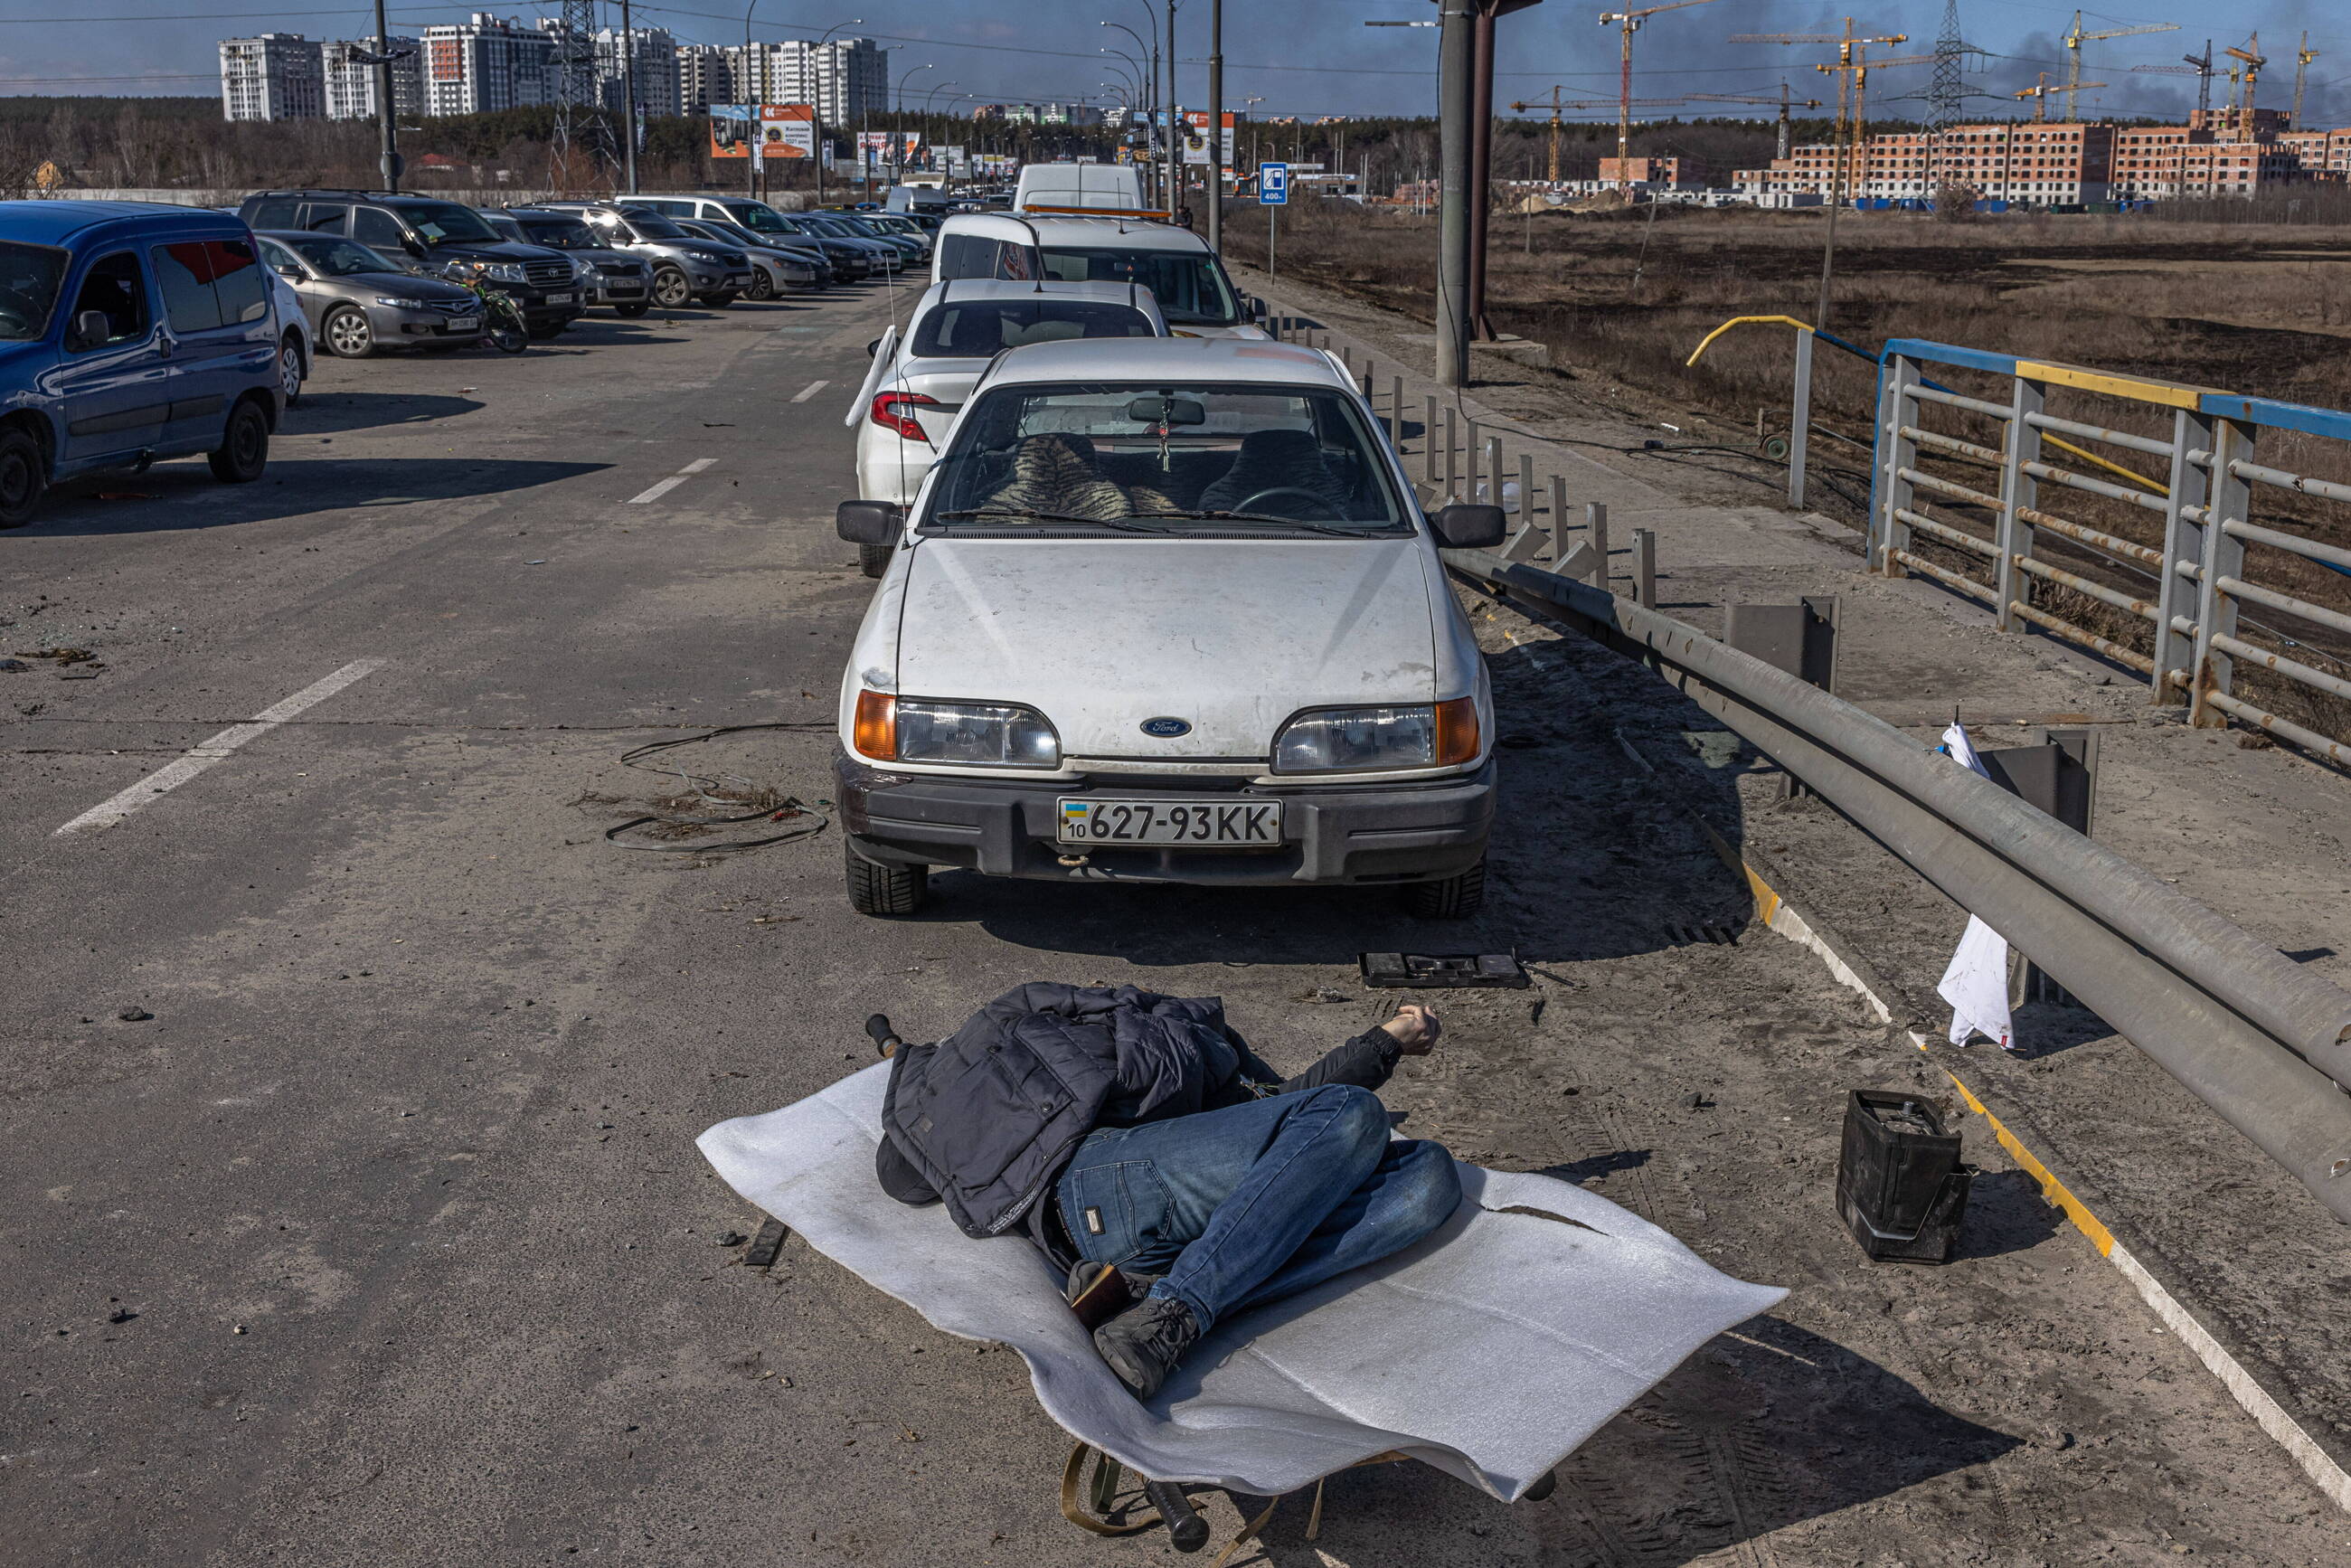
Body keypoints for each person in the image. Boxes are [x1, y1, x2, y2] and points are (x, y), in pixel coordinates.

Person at [875, 985, 1457, 1400]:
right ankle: (1180, 1310)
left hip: (1169, 1212)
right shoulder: (1029, 1018)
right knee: (1352, 1111)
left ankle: (1155, 1297)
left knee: (1429, 1177)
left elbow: (1287, 1108)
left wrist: (1387, 1041)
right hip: (1092, 1185)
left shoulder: (1201, 1043)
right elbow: (903, 1176)